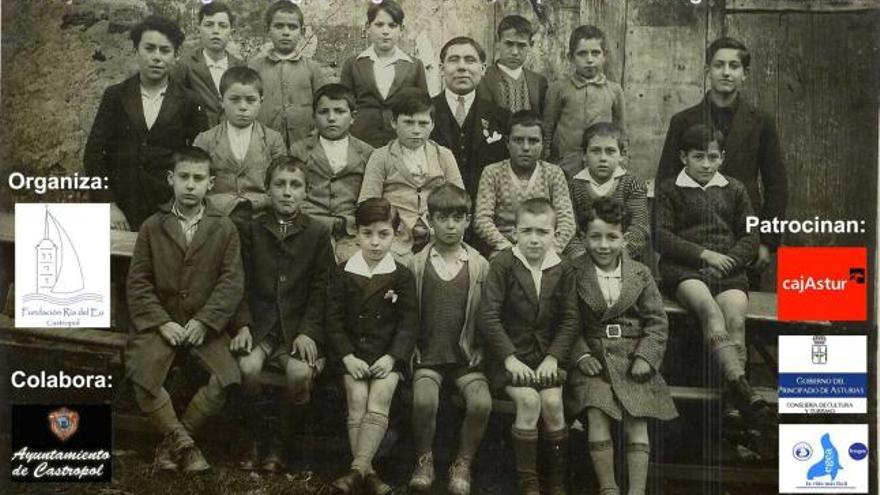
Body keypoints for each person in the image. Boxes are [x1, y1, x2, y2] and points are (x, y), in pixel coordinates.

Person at [124, 147, 243, 473]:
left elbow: (231, 283)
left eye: (199, 178)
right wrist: (161, 322)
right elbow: (138, 283)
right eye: (184, 177)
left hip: (203, 326)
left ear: (211, 183)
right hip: (160, 324)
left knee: (226, 378)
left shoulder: (224, 228)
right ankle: (187, 447)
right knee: (144, 377)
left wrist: (205, 321)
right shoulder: (153, 225)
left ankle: (171, 444)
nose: (191, 185)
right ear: (170, 180)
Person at [655, 124, 773, 425]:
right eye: (698, 157)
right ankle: (742, 392)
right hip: (685, 270)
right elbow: (662, 236)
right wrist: (704, 255)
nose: (706, 164)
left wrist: (730, 261)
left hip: (728, 270)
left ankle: (735, 400)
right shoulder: (670, 189)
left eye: (712, 157)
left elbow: (750, 236)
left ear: (722, 157)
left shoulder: (735, 189)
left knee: (735, 318)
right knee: (710, 311)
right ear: (684, 157)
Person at [566, 197, 677, 495]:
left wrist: (646, 357)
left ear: (624, 238)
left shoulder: (640, 273)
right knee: (596, 412)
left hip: (632, 359)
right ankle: (608, 488)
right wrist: (581, 355)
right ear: (583, 238)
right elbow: (567, 322)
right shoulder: (573, 272)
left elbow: (657, 321)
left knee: (636, 418)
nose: (604, 245)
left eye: (612, 237)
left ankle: (637, 491)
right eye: (596, 237)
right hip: (594, 361)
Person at [656, 37, 786, 289]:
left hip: (741, 241)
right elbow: (665, 180)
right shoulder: (683, 121)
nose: (726, 72)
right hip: (690, 240)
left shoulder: (761, 122)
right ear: (707, 71)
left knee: (738, 313)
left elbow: (777, 185)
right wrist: (674, 245)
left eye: (734, 66)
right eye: (719, 65)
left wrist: (766, 242)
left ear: (745, 74)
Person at [231, 156, 334, 472]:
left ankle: (280, 444)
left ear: (306, 191)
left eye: (295, 185)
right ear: (267, 189)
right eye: (280, 184)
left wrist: (308, 332)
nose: (287, 192)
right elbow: (238, 282)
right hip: (261, 326)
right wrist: (244, 324)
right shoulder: (252, 229)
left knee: (299, 374)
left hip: (297, 329)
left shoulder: (317, 233)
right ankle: (254, 438)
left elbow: (322, 290)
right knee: (247, 368)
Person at [479, 198, 579, 495]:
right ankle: (529, 482)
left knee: (552, 403)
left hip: (546, 357)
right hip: (508, 357)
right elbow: (489, 315)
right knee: (529, 402)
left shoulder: (563, 268)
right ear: (515, 232)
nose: (534, 239)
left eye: (542, 232)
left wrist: (553, 357)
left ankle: (557, 482)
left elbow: (571, 319)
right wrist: (509, 358)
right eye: (527, 231)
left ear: (554, 233)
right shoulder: (503, 263)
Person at [326, 198, 418, 495]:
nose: (375, 242)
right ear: (356, 233)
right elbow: (333, 320)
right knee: (357, 395)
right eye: (367, 234)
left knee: (380, 395)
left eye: (383, 234)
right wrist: (347, 356)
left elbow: (408, 323)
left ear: (396, 235)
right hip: (352, 355)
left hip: (386, 358)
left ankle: (356, 471)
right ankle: (370, 474)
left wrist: (393, 358)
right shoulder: (342, 271)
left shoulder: (402, 275)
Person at [406, 184, 492, 495]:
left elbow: (488, 314)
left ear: (468, 220)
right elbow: (406, 313)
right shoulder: (416, 264)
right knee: (424, 400)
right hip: (428, 354)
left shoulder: (480, 265)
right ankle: (424, 459)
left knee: (481, 402)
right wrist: (410, 345)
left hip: (464, 356)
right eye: (442, 218)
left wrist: (481, 346)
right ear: (430, 221)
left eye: (458, 218)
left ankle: (462, 463)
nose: (451, 225)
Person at [84, 15, 208, 231]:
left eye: (165, 50)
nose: (156, 57)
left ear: (176, 56)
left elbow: (199, 158)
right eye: (149, 48)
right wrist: (109, 205)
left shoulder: (190, 101)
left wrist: (183, 209)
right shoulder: (115, 96)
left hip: (169, 209)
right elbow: (94, 154)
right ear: (135, 51)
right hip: (121, 207)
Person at [359, 88, 464, 258]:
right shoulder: (380, 157)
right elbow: (367, 204)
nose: (416, 130)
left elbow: (459, 199)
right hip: (395, 240)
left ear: (432, 125)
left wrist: (432, 224)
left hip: (438, 236)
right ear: (394, 122)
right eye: (408, 122)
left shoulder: (443, 155)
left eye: (423, 123)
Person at [291, 83, 375, 262]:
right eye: (323, 112)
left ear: (352, 117)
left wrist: (352, 221)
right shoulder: (299, 150)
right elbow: (294, 193)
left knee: (355, 265)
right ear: (314, 116)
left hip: (352, 229)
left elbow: (369, 197)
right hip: (311, 225)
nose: (331, 118)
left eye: (339, 111)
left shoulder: (367, 153)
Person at [473, 110, 575, 258]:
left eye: (533, 141)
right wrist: (509, 249)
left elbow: (567, 222)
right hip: (505, 249)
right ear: (507, 142)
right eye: (518, 140)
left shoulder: (553, 173)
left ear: (542, 144)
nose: (526, 147)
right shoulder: (492, 173)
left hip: (545, 248)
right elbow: (482, 220)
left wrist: (550, 250)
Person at [193, 67, 287, 223]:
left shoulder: (273, 139)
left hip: (261, 216)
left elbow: (281, 182)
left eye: (250, 100)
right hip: (217, 217)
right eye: (234, 99)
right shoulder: (205, 140)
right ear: (221, 101)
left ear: (261, 102)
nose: (243, 107)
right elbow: (196, 181)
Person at [340, 0, 428, 148]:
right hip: (362, 139)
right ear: (368, 28)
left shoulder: (414, 65)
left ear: (401, 29)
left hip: (400, 141)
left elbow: (422, 107)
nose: (385, 31)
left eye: (392, 25)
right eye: (379, 25)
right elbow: (344, 105)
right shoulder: (353, 64)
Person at [430, 36, 510, 200]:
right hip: (438, 209)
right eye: (453, 60)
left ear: (483, 68)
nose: (462, 67)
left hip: (487, 208)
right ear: (441, 68)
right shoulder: (424, 114)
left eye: (470, 60)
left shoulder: (501, 117)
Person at [565, 122, 648, 261]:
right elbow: (570, 230)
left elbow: (639, 228)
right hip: (582, 260)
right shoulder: (573, 186)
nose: (603, 158)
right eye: (595, 151)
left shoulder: (632, 184)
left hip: (623, 258)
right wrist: (581, 257)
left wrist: (615, 255)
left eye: (610, 151)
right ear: (584, 155)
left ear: (622, 155)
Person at [250, 0, 327, 147]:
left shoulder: (312, 68)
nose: (286, 32)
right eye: (279, 26)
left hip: (304, 143)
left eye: (292, 27)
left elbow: (323, 106)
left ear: (302, 31)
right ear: (267, 29)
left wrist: (317, 132)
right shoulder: (255, 67)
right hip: (264, 143)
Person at [543, 25, 623, 162]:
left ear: (605, 56)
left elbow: (620, 128)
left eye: (596, 53)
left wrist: (623, 156)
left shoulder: (614, 90)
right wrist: (546, 155)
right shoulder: (558, 89)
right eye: (582, 53)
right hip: (566, 161)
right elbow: (548, 126)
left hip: (601, 162)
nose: (590, 60)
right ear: (571, 57)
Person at [172, 1, 245, 127]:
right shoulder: (184, 65)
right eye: (209, 25)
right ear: (199, 28)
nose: (216, 31)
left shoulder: (241, 67)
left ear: (231, 32)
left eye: (222, 25)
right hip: (198, 140)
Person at [478, 15, 548, 115]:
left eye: (521, 45)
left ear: (530, 45)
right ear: (498, 41)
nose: (515, 52)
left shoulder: (538, 82)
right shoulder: (483, 78)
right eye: (509, 44)